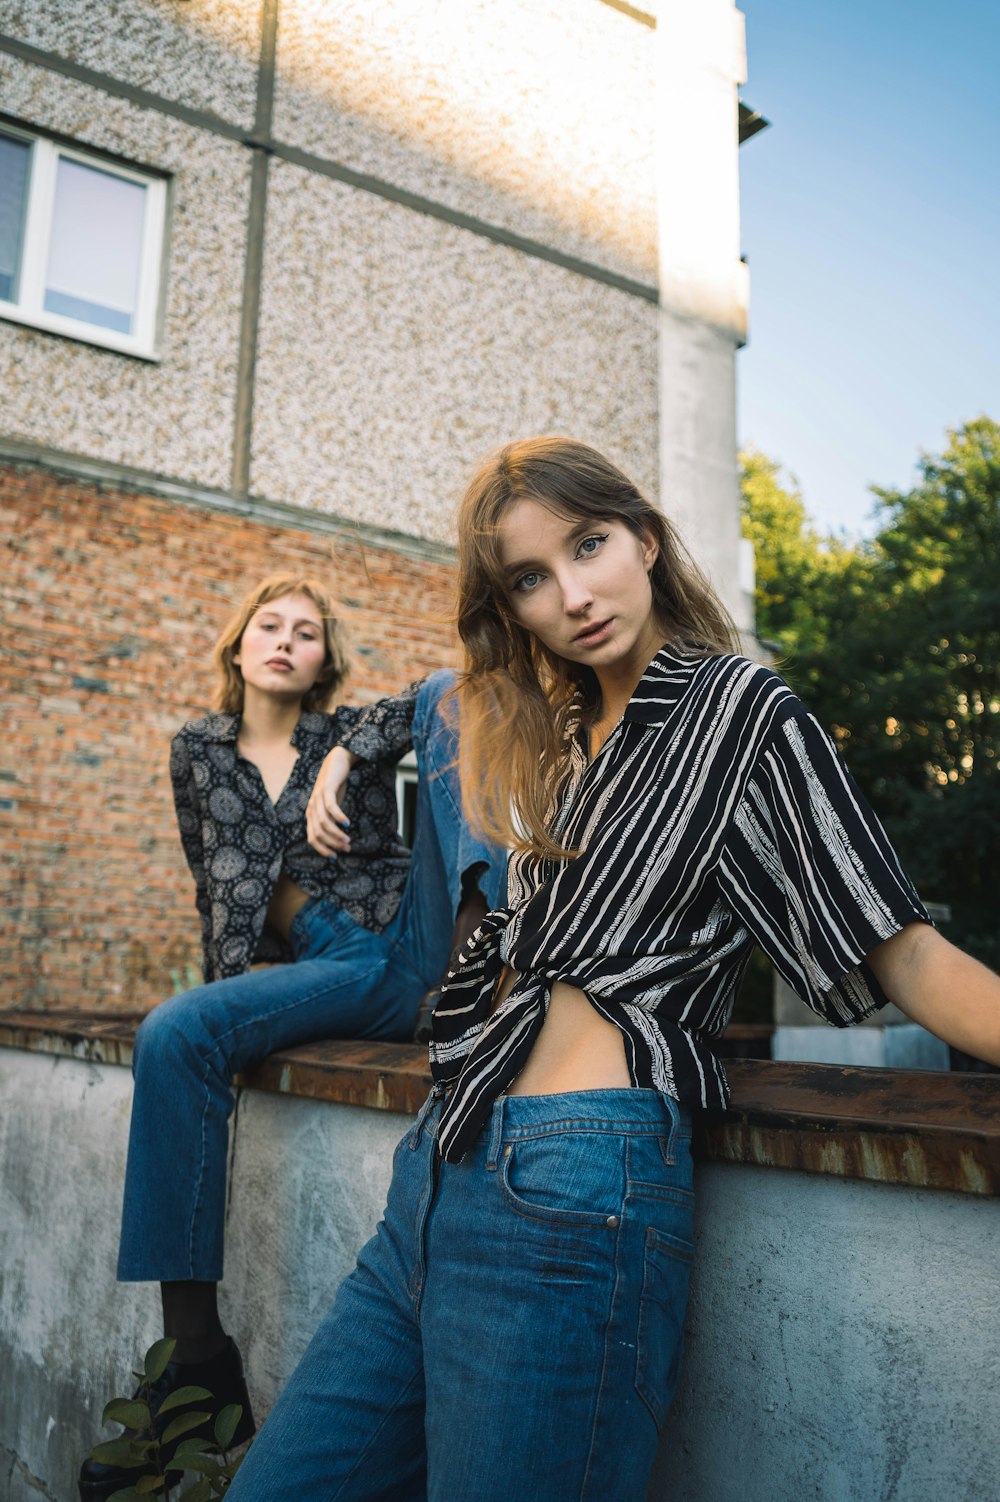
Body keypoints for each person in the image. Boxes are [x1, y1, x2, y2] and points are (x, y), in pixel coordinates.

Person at [225, 441, 1000, 1502]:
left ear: (642, 533)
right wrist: (350, 749)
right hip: (439, 1168)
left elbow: (901, 945)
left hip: (575, 1179)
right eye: (531, 579)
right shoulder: (558, 735)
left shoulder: (738, 709)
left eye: (588, 545)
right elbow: (439, 694)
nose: (573, 596)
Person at [79, 573, 506, 1502]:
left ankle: (491, 955)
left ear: (323, 661)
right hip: (321, 959)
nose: (284, 640)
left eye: (305, 632)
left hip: (402, 938)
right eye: (267, 626)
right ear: (237, 647)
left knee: (446, 687)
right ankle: (193, 1356)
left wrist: (347, 758)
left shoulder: (339, 732)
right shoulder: (197, 749)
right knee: (179, 1035)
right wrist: (232, 998)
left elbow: (424, 703)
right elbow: (221, 888)